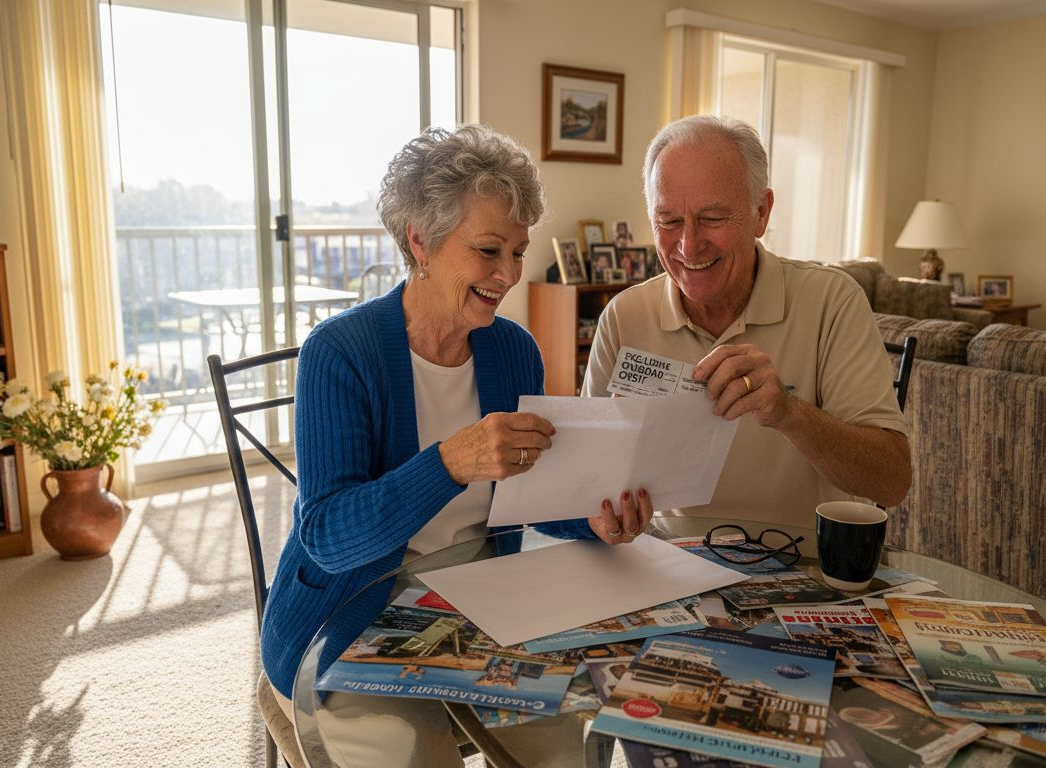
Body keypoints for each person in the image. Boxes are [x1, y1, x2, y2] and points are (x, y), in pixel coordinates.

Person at [260, 124, 651, 768]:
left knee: (559, 746)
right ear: (421, 240)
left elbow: (523, 500)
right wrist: (448, 463)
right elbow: (328, 538)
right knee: (404, 757)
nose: (509, 276)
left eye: (519, 253)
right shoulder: (340, 353)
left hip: (481, 600)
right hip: (348, 615)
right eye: (489, 251)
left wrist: (594, 520)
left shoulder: (513, 350)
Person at [583, 115, 910, 529]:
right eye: (669, 221)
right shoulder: (624, 316)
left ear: (761, 212)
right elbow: (590, 479)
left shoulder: (832, 301)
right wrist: (605, 518)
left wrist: (787, 412)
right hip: (669, 564)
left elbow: (892, 482)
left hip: (804, 569)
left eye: (712, 218)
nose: (688, 245)